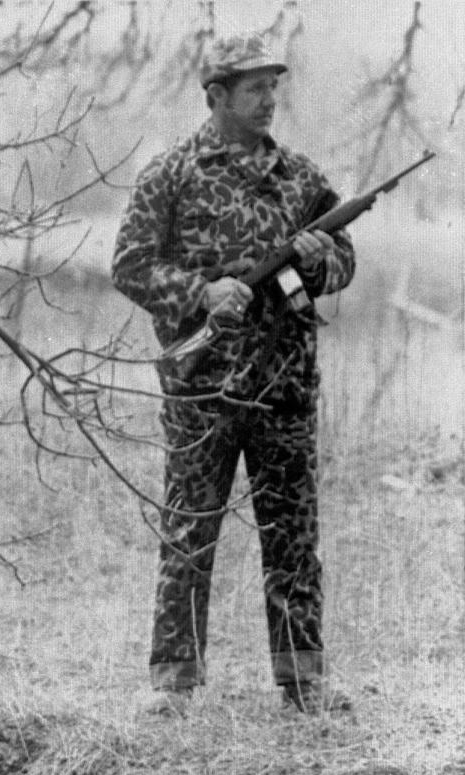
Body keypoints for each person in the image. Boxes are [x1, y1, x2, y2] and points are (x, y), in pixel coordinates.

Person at [112, 32, 356, 715]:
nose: (269, 98)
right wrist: (201, 293)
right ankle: (174, 685)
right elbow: (130, 267)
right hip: (202, 393)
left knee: (293, 540)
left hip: (285, 390)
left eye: (274, 86)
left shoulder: (302, 179)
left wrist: (315, 262)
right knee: (190, 534)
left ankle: (303, 682)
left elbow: (344, 260)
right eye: (255, 87)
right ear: (216, 96)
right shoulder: (170, 175)